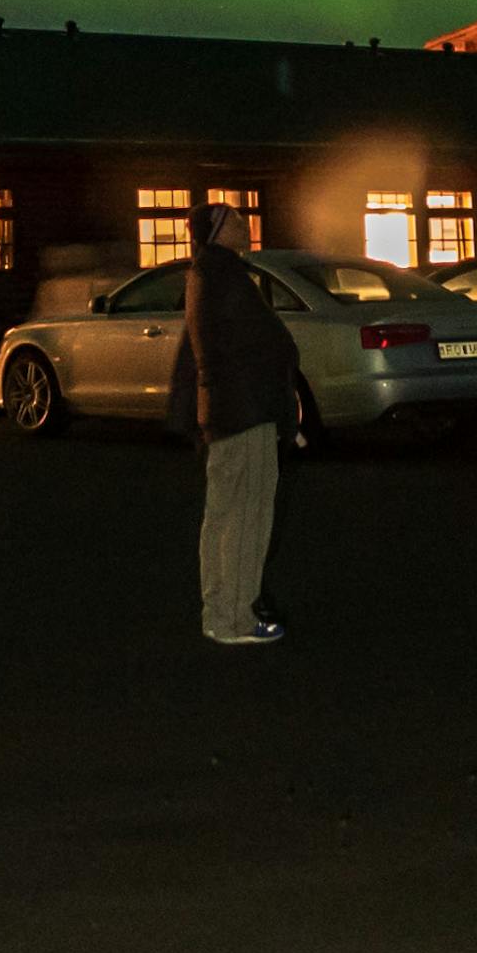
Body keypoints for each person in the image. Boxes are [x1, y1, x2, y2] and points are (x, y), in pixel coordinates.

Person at [167, 205, 295, 647]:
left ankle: (218, 613)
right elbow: (259, 348)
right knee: (246, 516)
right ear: (219, 232)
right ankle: (236, 620)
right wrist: (283, 411)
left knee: (222, 515)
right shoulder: (224, 277)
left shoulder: (207, 274)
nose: (246, 224)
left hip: (227, 410)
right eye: (237, 220)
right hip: (245, 411)